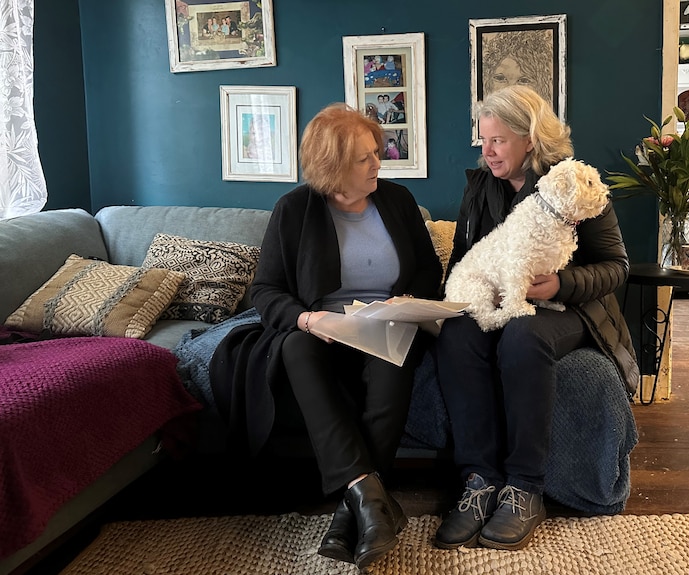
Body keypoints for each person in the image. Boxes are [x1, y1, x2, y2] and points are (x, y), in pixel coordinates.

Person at [210, 103, 442, 568]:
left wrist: (406, 300)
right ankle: (371, 499)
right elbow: (266, 289)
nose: (380, 162)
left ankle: (354, 506)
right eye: (365, 158)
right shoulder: (294, 209)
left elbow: (427, 269)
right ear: (333, 166)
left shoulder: (397, 201)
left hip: (389, 321)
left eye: (378, 152)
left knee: (393, 363)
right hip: (325, 329)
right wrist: (308, 320)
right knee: (294, 346)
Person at [433, 85, 639, 551]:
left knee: (523, 337)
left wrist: (561, 284)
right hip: (496, 297)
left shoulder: (576, 184)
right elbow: (466, 259)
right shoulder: (480, 185)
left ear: (530, 139)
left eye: (498, 141)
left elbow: (616, 266)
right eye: (483, 141)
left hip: (566, 309)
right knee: (456, 335)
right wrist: (445, 307)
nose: (487, 151)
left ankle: (526, 487)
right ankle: (479, 481)